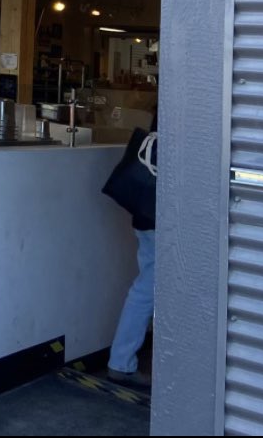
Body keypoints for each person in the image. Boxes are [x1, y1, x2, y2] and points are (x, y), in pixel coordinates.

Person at [106, 120, 158, 391]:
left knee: (147, 285)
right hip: (157, 213)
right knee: (148, 286)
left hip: (146, 211)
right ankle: (121, 362)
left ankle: (122, 360)